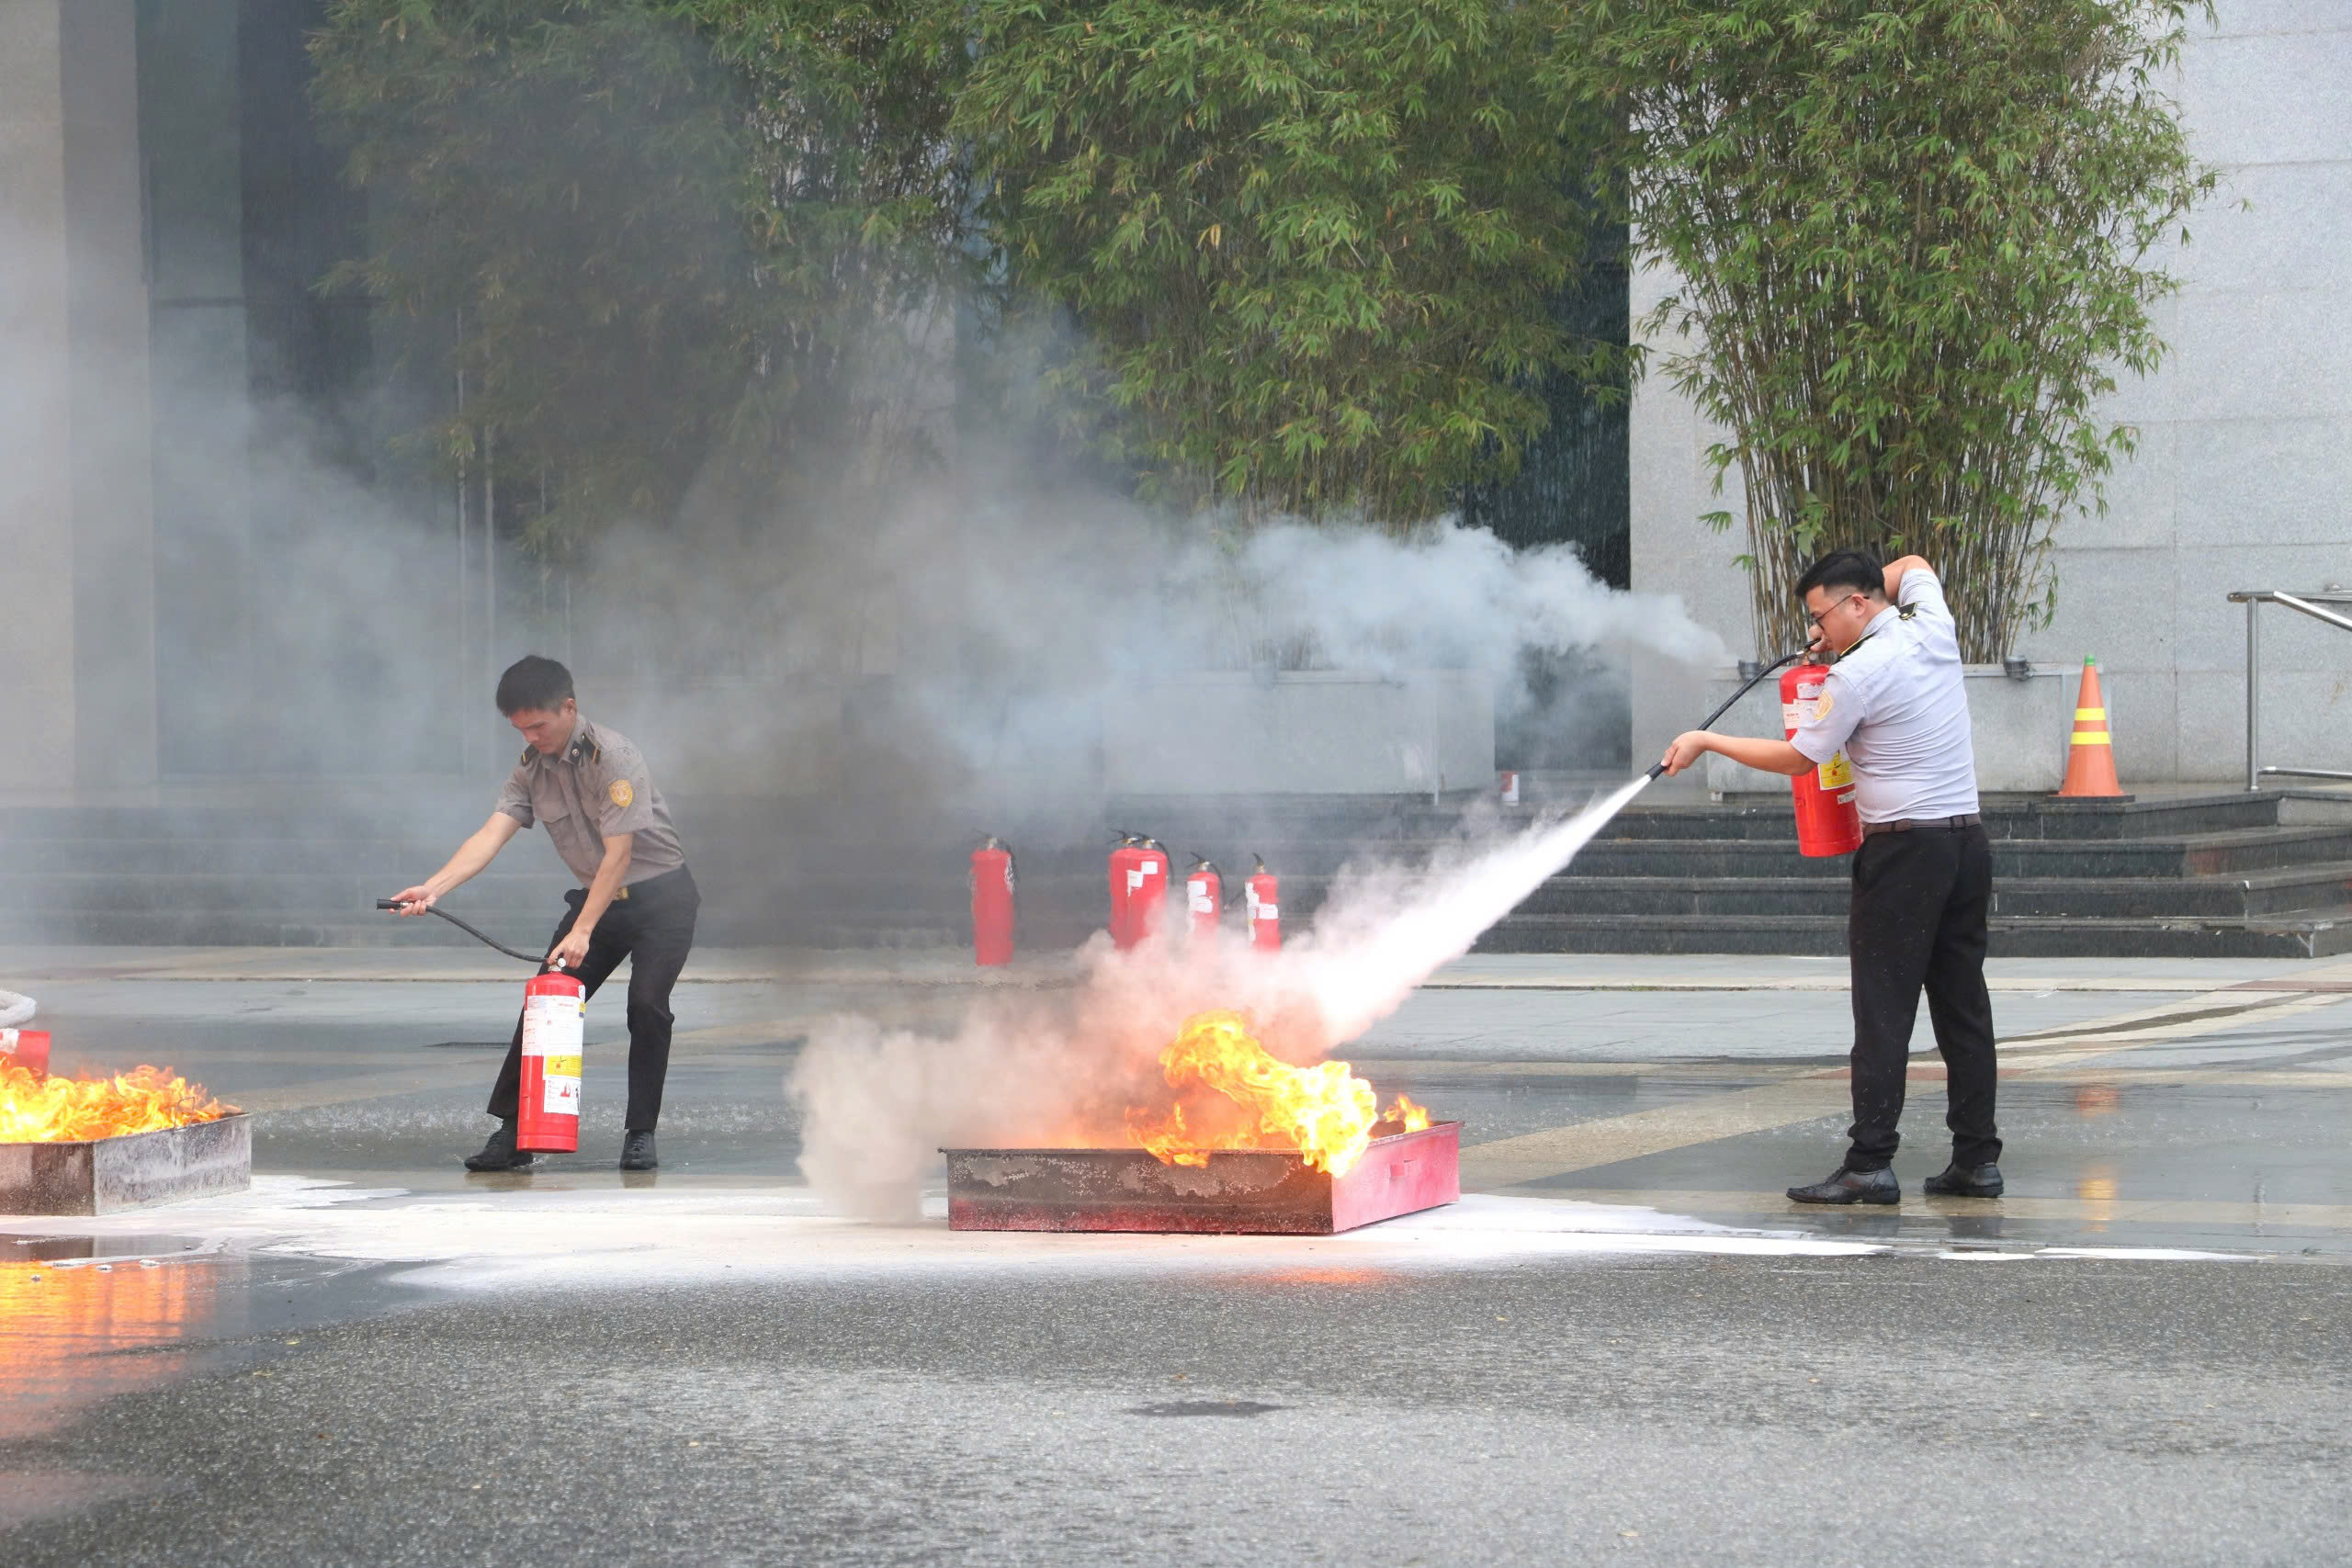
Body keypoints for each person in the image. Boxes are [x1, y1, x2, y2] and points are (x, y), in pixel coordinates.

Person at [1657, 549, 2002, 1205]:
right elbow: (1914, 562)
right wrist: (1851, 607)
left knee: (1883, 1011)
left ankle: (1870, 1162)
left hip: (1903, 855)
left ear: (1858, 603)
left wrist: (1706, 741)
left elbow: (1799, 759)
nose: (1817, 630)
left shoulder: (1858, 674)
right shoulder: (1933, 625)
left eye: (1821, 615)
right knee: (1963, 1006)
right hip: (1966, 846)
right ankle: (1977, 1159)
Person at [390, 655, 699, 1173]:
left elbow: (619, 856)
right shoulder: (531, 768)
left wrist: (582, 931)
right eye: (521, 729)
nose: (531, 738)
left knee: (646, 1005)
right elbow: (492, 834)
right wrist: (434, 887)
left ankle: (640, 1133)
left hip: (661, 899)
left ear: (568, 708)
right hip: (598, 901)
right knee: (545, 1002)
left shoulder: (615, 757)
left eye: (538, 726)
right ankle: (514, 1133)